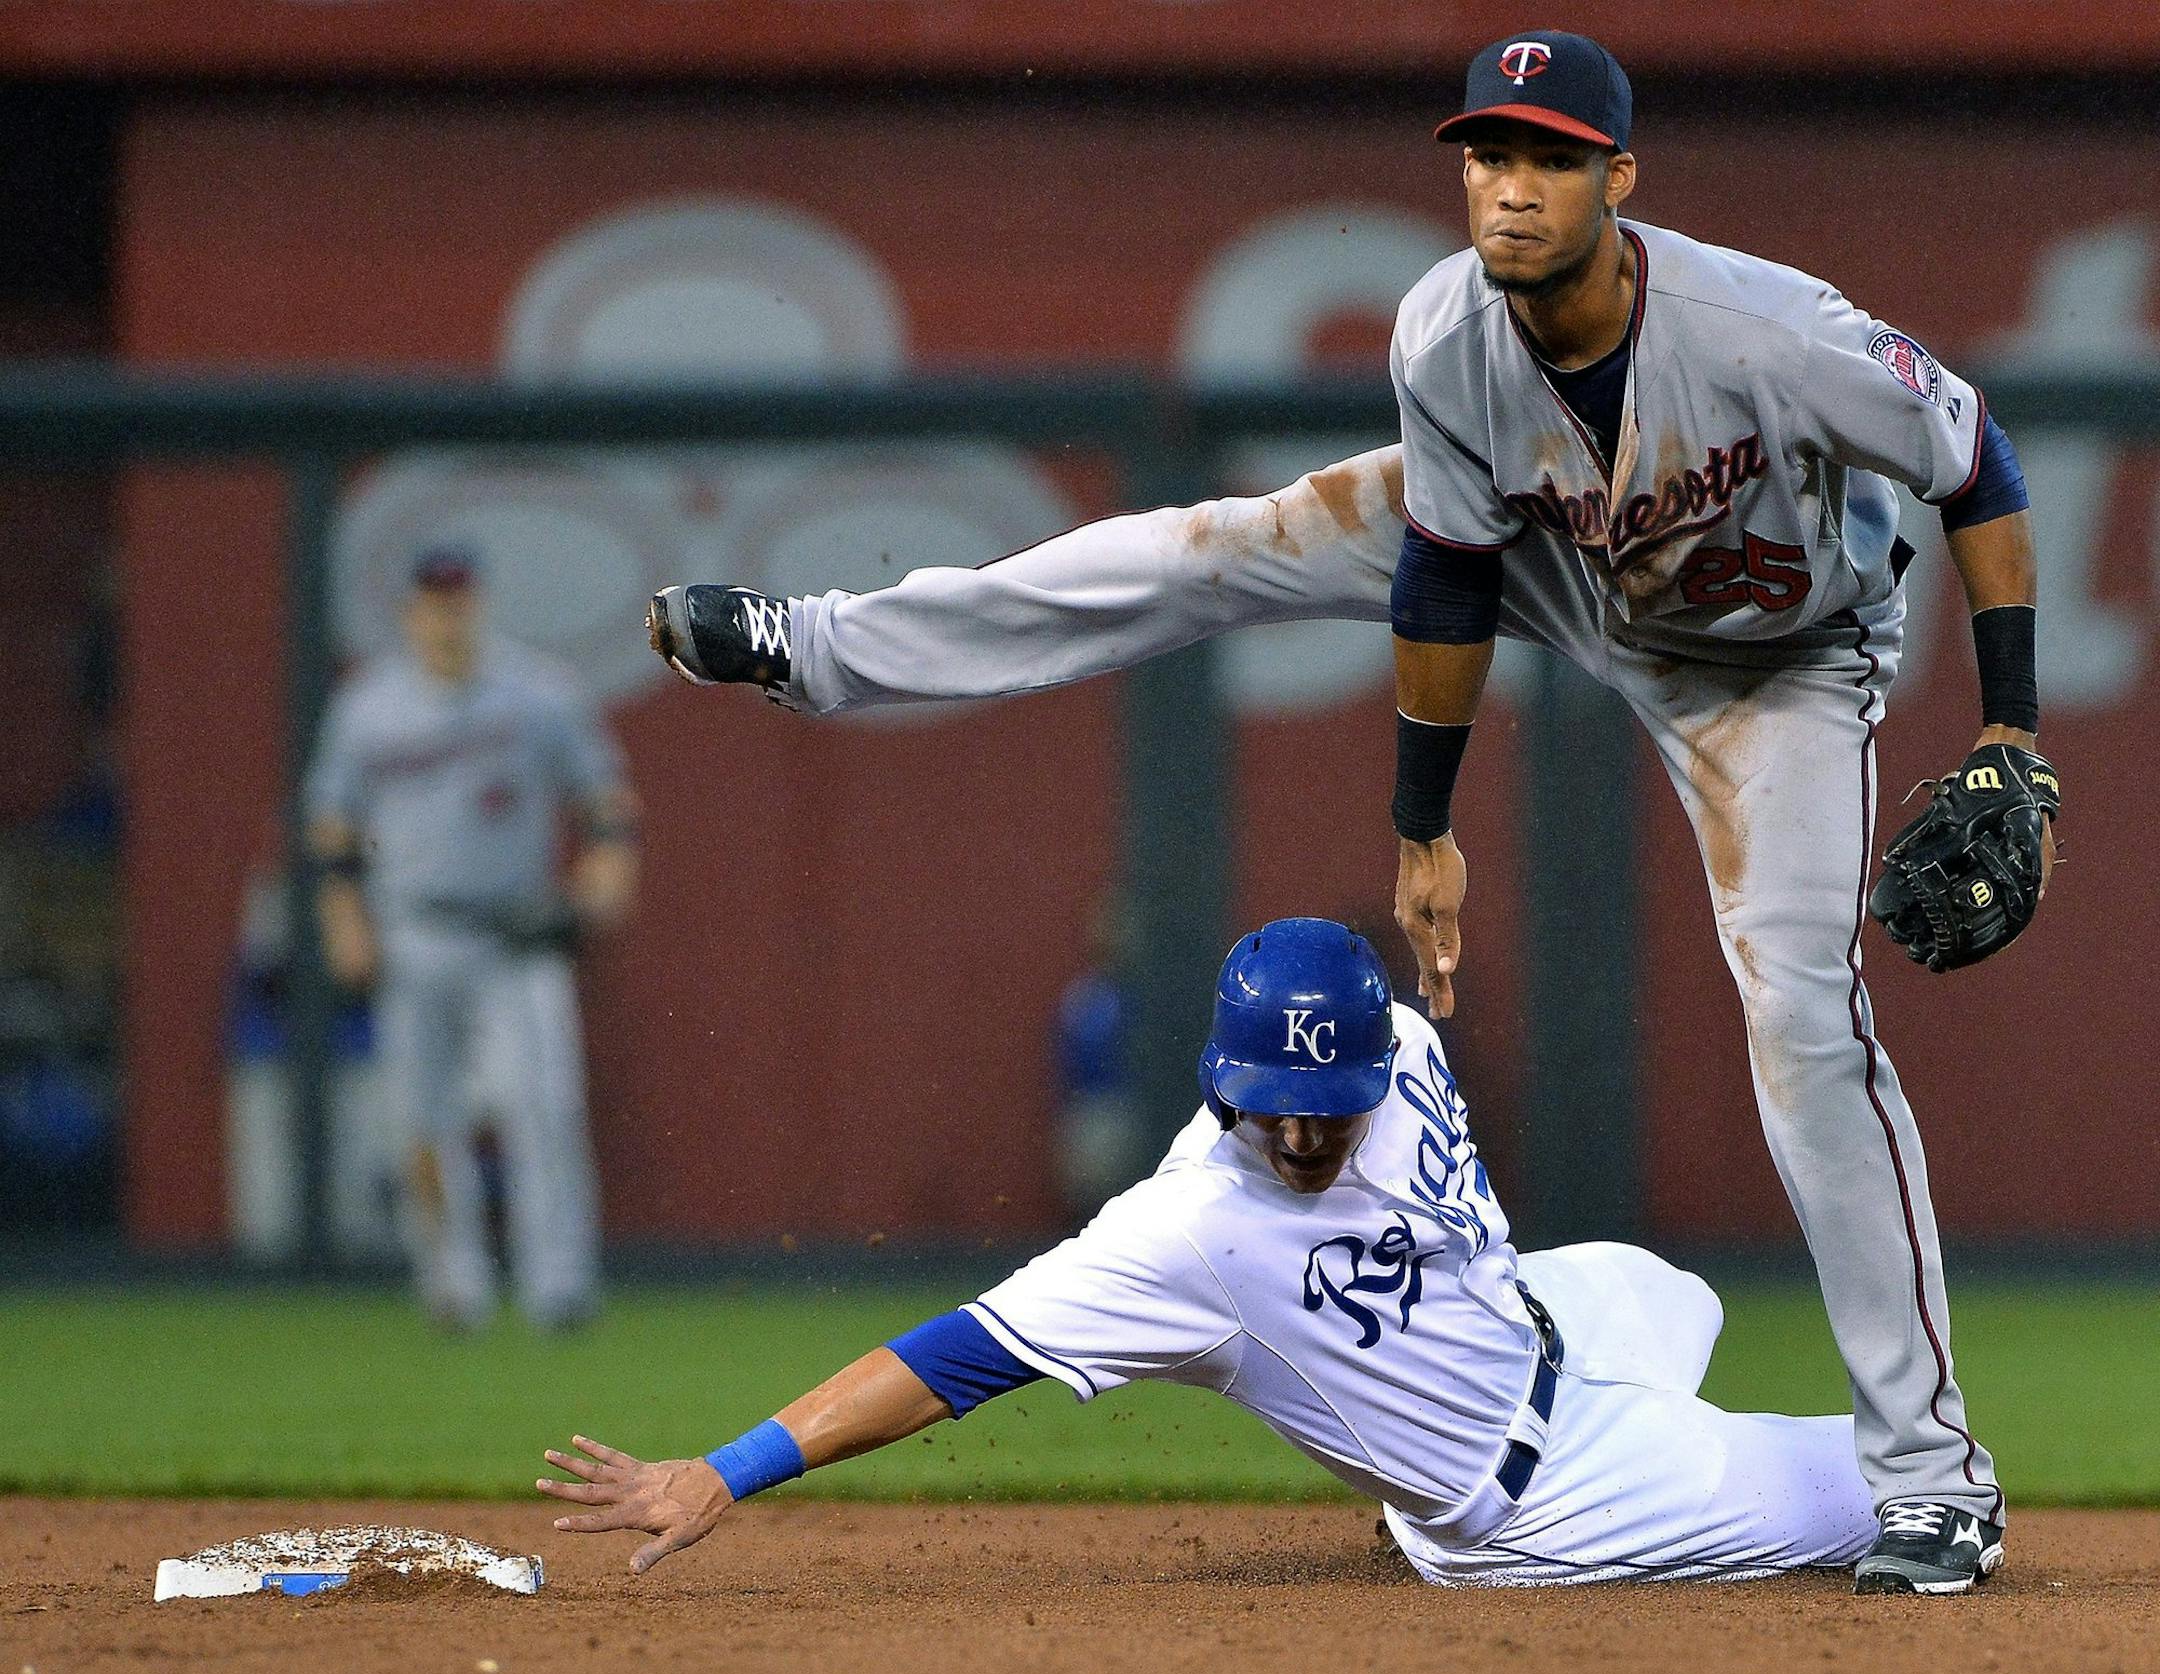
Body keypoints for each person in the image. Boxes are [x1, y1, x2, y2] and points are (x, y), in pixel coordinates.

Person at [643, 33, 2053, 1594]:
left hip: (1773, 660)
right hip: (1543, 554)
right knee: (1210, 546)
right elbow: (1446, 571)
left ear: (1619, 180)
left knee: (1800, 1017)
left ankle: (1931, 1476)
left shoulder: (1767, 331)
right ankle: (821, 647)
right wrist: (1424, 830)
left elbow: (1972, 457)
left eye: (1549, 161)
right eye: (1488, 158)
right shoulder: (1448, 329)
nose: (1510, 190)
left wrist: (2009, 730)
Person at [538, 918, 1883, 1588]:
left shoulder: (1406, 1046)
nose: (1301, 1125)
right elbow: (949, 1359)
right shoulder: (1186, 1239)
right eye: (1271, 1097)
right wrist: (725, 1470)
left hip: (1550, 1330)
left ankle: (1680, 1469)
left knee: (1677, 1288)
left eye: (1327, 1098)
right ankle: (1623, 1512)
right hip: (1537, 1493)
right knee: (1930, 1488)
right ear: (1223, 1078)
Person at [306, 544, 638, 1329]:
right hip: (414, 931)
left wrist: (608, 871)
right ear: (410, 612)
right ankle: (453, 1288)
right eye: (433, 601)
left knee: (543, 1110)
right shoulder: (369, 707)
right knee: (421, 1122)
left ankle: (560, 1289)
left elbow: (605, 801)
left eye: (458, 600)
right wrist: (344, 922)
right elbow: (333, 828)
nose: (447, 616)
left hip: (512, 932)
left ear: (478, 604)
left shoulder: (536, 693)